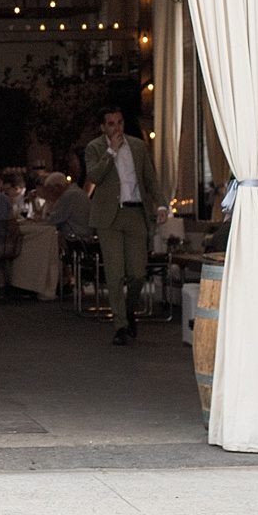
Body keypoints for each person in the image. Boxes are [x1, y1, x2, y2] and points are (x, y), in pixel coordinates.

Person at [85, 106, 166, 345]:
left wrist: (161, 205)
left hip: (135, 213)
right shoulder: (94, 148)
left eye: (119, 122)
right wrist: (111, 151)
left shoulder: (138, 147)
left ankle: (130, 310)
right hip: (108, 216)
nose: (116, 128)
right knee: (114, 273)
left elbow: (150, 179)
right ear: (103, 127)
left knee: (138, 273)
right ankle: (120, 324)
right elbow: (95, 177)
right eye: (111, 124)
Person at [44, 171, 95, 239]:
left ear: (57, 187)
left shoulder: (69, 195)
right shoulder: (75, 192)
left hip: (78, 238)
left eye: (51, 191)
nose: (51, 195)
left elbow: (53, 220)